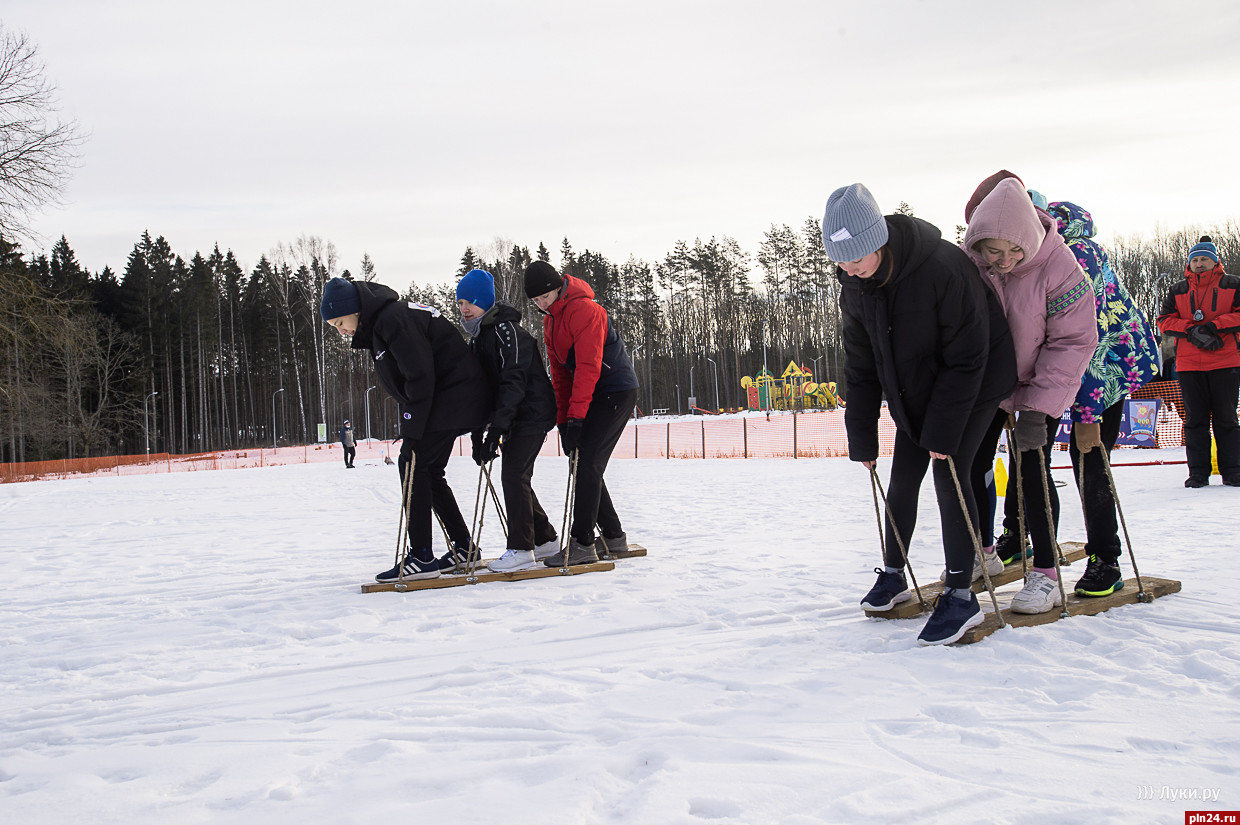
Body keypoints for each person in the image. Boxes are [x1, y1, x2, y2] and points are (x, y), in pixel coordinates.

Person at [826, 183, 1016, 646]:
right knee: (903, 473)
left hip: (974, 382)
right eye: (841, 260)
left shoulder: (941, 268)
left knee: (949, 472)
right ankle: (893, 572)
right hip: (915, 387)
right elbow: (861, 364)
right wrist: (862, 438)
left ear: (878, 240)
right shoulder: (855, 288)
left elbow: (969, 357)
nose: (850, 269)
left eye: (857, 257)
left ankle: (960, 594)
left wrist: (943, 430)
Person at [963, 177, 1097, 615]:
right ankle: (983, 550)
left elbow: (1073, 341)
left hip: (1042, 379)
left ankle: (1045, 573)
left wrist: (1039, 408)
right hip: (990, 383)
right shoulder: (970, 265)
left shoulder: (1060, 266)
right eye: (993, 252)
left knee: (1032, 468)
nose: (1004, 261)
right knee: (974, 461)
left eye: (1014, 251)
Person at [320, 277, 489, 582]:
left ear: (356, 310)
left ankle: (422, 556)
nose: (342, 331)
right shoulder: (386, 321)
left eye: (341, 322)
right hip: (450, 399)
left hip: (453, 397)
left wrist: (412, 427)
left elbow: (419, 375)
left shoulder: (393, 319)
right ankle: (464, 548)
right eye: (334, 326)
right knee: (427, 470)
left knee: (412, 463)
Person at [1047, 199, 1160, 596]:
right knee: (1086, 459)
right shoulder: (1068, 251)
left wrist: (1088, 415)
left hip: (1111, 366)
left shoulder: (1077, 257)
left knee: (1089, 456)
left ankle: (1106, 559)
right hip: (1100, 366)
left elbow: (1092, 338)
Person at [523, 260, 639, 567]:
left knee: (588, 464)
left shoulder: (587, 311)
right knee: (581, 465)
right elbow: (560, 376)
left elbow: (588, 368)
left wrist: (577, 417)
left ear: (557, 287)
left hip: (614, 390)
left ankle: (583, 543)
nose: (541, 304)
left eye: (544, 298)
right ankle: (613, 536)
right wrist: (564, 420)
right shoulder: (550, 320)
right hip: (589, 394)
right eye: (535, 301)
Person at [454, 268, 561, 573]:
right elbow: (483, 391)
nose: (464, 308)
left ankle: (521, 548)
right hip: (515, 416)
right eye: (460, 302)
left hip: (533, 412)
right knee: (517, 475)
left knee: (514, 475)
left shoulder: (507, 332)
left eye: (469, 302)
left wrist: (496, 430)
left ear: (485, 302)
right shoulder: (480, 337)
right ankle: (544, 539)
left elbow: (512, 383)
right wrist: (479, 435)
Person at [1157, 235, 1240, 487]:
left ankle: (1234, 471)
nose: (1200, 263)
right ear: (1189, 263)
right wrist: (1192, 330)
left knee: (1227, 420)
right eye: (1195, 260)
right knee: (1194, 422)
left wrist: (1215, 327)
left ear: (1215, 262)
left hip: (1226, 362)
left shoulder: (1233, 284)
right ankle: (1198, 474)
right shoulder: (1178, 289)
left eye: (1205, 259)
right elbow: (1164, 320)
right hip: (1189, 365)